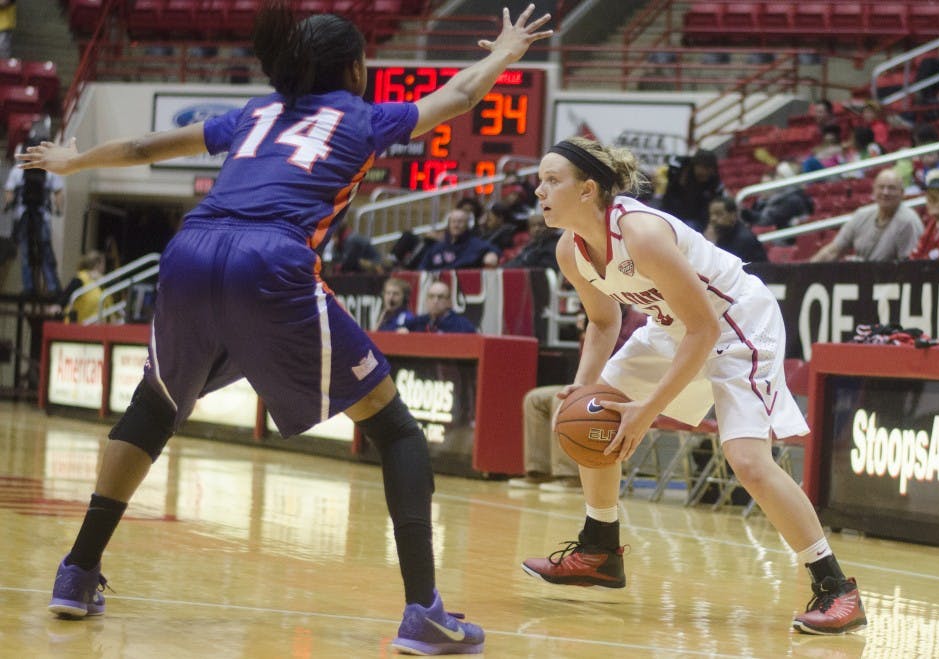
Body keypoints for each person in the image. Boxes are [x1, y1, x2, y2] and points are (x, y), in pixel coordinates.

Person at [18, 2, 551, 654]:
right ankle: (425, 613)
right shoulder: (364, 116)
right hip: (271, 259)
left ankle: (75, 573)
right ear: (355, 69)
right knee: (394, 426)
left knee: (154, 406)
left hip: (189, 250)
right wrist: (505, 51)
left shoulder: (254, 114)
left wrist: (73, 163)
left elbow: (141, 147)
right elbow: (462, 94)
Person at [520, 136, 867, 636]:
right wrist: (581, 390)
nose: (539, 191)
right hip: (671, 327)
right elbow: (601, 323)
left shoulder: (639, 234)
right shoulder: (569, 252)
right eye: (539, 181)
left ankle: (838, 589)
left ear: (588, 189)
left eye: (552, 180)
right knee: (594, 414)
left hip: (736, 322)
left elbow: (705, 328)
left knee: (748, 461)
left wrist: (647, 409)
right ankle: (599, 548)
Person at [509, 305, 647, 492]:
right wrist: (585, 335)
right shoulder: (593, 318)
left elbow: (626, 359)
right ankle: (538, 471)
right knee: (535, 399)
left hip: (624, 388)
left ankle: (570, 476)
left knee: (566, 404)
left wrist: (602, 331)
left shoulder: (639, 321)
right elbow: (589, 362)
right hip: (594, 385)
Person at [810, 169, 923, 262]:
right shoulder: (861, 215)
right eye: (881, 187)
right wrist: (808, 270)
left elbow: (909, 266)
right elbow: (833, 250)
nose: (885, 192)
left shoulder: (908, 221)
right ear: (873, 190)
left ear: (902, 193)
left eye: (891, 188)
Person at [4, 136, 64, 296]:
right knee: (44, 250)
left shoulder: (18, 170)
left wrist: (8, 205)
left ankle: (30, 287)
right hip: (40, 216)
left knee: (26, 251)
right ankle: (52, 286)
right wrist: (58, 209)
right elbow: (58, 192)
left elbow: (9, 191)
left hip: (24, 215)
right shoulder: (48, 169)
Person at [657, 148, 725, 232]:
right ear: (695, 165)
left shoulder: (715, 185)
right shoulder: (678, 168)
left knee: (690, 227)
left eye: (710, 169)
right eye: (704, 167)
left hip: (694, 219)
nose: (706, 172)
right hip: (669, 209)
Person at [418, 207, 501, 270]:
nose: (456, 225)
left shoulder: (476, 245)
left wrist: (492, 254)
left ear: (468, 225)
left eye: (460, 222)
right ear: (448, 224)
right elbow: (422, 269)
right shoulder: (436, 247)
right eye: (453, 221)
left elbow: (494, 249)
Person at [703, 196, 768, 263]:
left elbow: (726, 265)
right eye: (711, 214)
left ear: (733, 215)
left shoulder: (744, 239)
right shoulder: (719, 233)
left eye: (719, 214)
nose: (712, 218)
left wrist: (712, 244)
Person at [400, 280, 476, 333]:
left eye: (440, 297)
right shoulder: (418, 322)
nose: (435, 301)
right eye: (431, 296)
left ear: (449, 302)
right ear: (426, 300)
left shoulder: (462, 325)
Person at [59, 250, 107, 323]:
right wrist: (58, 306)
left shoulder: (99, 283)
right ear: (97, 265)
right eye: (103, 264)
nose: (105, 268)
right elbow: (65, 296)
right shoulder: (81, 278)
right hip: (79, 327)